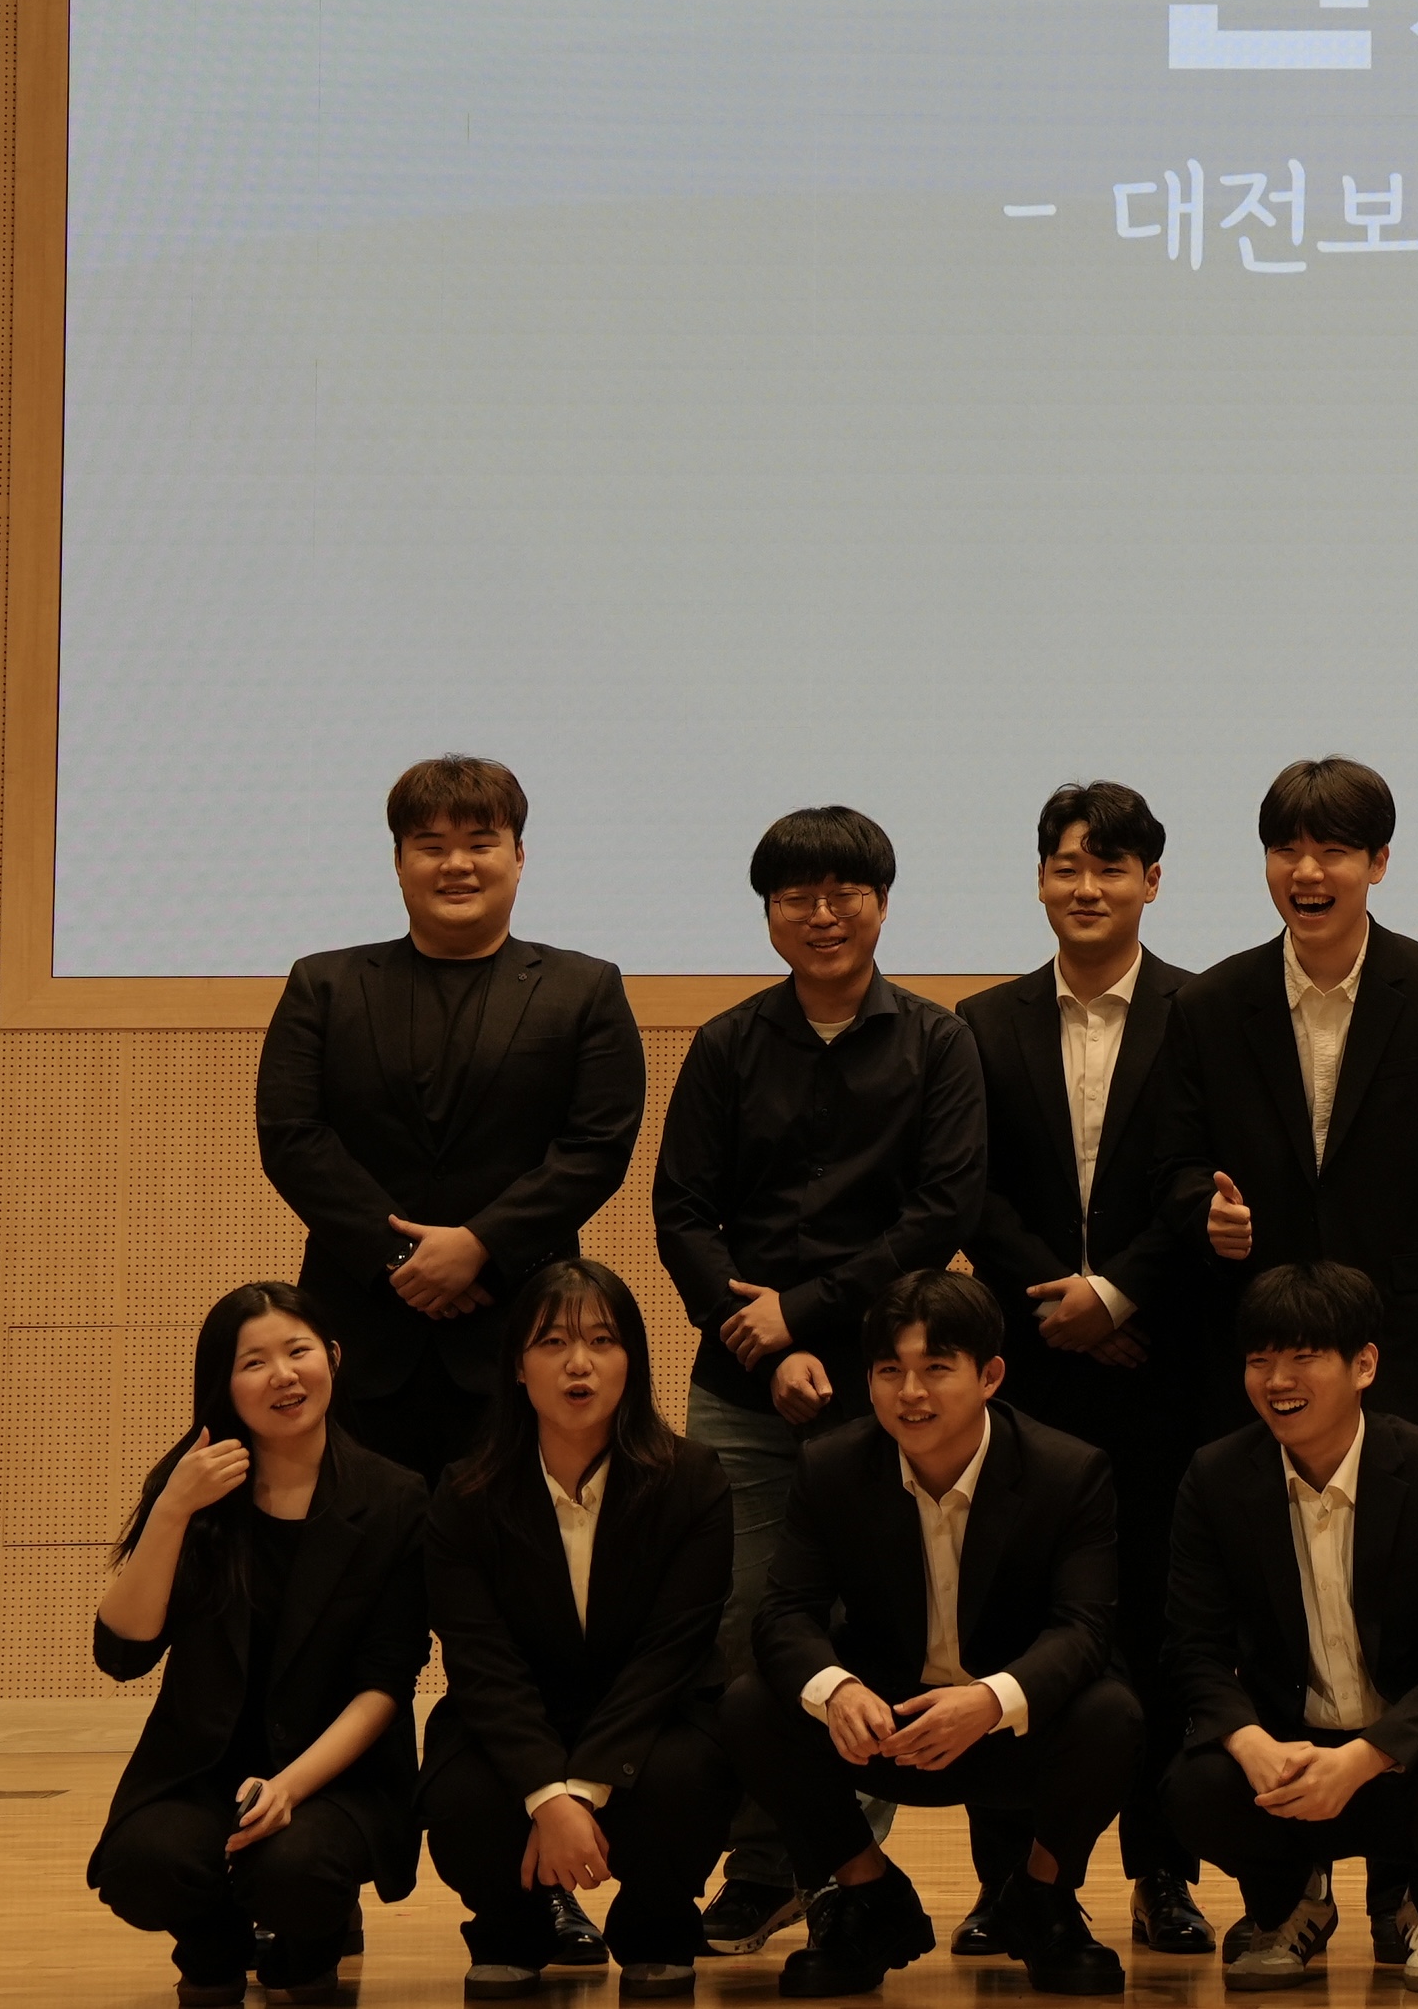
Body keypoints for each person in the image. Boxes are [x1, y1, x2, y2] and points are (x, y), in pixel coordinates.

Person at [652, 804, 988, 1951]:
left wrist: (803, 1314)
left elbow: (939, 1211)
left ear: (882, 903)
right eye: (797, 893)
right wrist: (756, 1330)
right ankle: (768, 1865)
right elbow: (681, 1211)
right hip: (739, 1383)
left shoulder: (938, 1042)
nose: (823, 911)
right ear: (769, 912)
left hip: (890, 1386)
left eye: (846, 890)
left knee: (870, 1632)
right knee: (745, 1629)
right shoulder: (726, 1043)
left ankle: (841, 1865)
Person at [716, 1270, 1144, 1999]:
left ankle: (1042, 1899)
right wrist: (837, 1690)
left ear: (990, 1376)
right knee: (751, 1704)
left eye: (936, 1369)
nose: (910, 1393)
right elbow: (784, 1613)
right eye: (890, 1371)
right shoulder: (831, 1466)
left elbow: (1084, 1629)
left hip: (1005, 1727)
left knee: (1113, 1712)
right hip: (888, 1724)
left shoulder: (1067, 1471)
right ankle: (867, 1895)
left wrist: (991, 1699)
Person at [958, 780, 1208, 1957]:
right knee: (1013, 1622)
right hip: (1029, 1370)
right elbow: (968, 1186)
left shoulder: (1207, 1011)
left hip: (1166, 1366)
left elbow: (1206, 1175)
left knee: (1162, 1623)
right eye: (1067, 864)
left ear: (1152, 880)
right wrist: (1058, 1295)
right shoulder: (980, 1021)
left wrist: (1119, 1293)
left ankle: (1164, 1871)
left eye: (1112, 866)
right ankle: (1006, 1881)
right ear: (1041, 878)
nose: (1088, 885)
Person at [252, 755, 643, 1489]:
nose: (456, 865)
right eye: (430, 846)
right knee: (361, 1544)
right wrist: (403, 1258)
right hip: (360, 1330)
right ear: (399, 862)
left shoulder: (585, 989)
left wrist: (480, 1246)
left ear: (518, 856)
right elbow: (292, 1137)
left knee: (511, 1546)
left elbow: (596, 1147)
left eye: (479, 843)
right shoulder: (324, 985)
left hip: (521, 1330)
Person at [1166, 1260, 1418, 1998]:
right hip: (1288, 1758)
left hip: (1404, 1759)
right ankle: (1288, 1905)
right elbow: (1194, 1649)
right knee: (1195, 1785)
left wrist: (1366, 1757)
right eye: (1260, 1360)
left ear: (1364, 1366)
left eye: (1303, 1356)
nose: (1277, 1380)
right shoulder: (1216, 1477)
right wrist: (1249, 1742)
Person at [89, 1283, 429, 2009]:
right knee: (143, 1864)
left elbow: (386, 1682)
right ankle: (213, 1948)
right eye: (254, 1362)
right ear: (224, 1384)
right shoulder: (192, 1486)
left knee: (294, 1871)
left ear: (332, 1358)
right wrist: (173, 1510)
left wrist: (290, 1788)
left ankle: (309, 1948)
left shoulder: (394, 1498)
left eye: (298, 1351)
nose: (283, 1375)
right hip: (205, 1767)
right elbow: (123, 1652)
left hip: (336, 1774)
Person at [1153, 756, 1418, 1442]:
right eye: (1285, 851)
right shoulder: (1209, 1005)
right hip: (1250, 1345)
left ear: (1378, 863)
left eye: (1332, 852)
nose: (1306, 874)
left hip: (1398, 1342)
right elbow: (1173, 1164)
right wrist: (1205, 1211)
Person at [421, 1260, 737, 2000]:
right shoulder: (465, 1495)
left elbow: (670, 1653)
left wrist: (584, 1790)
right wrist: (544, 1793)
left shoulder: (693, 1480)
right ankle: (512, 1928)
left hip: (651, 1714)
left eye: (602, 1340)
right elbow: (481, 1661)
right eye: (552, 1342)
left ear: (633, 1360)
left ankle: (657, 1926)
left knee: (687, 1777)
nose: (578, 1363)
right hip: (521, 1714)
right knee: (465, 1796)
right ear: (517, 1367)